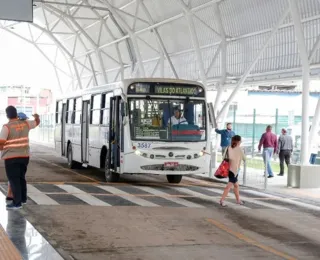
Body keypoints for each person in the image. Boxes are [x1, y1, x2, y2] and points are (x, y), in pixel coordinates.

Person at [0, 106, 40, 210]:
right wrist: (37, 117)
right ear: (16, 114)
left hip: (11, 158)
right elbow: (36, 123)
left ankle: (16, 203)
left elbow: (2, 142)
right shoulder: (26, 123)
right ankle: (23, 199)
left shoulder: (6, 127)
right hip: (24, 157)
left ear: (7, 115)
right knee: (21, 178)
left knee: (14, 180)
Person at [5, 112, 29, 202]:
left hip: (12, 156)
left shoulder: (9, 127)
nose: (25, 120)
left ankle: (14, 198)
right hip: (23, 156)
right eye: (24, 119)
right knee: (19, 178)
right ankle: (20, 199)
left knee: (14, 178)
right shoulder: (25, 126)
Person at [219, 135, 246, 207]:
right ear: (239, 141)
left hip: (229, 169)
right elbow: (245, 158)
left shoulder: (228, 148)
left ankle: (238, 200)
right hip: (235, 171)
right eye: (240, 141)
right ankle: (222, 200)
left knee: (236, 185)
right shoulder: (240, 149)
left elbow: (223, 157)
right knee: (229, 186)